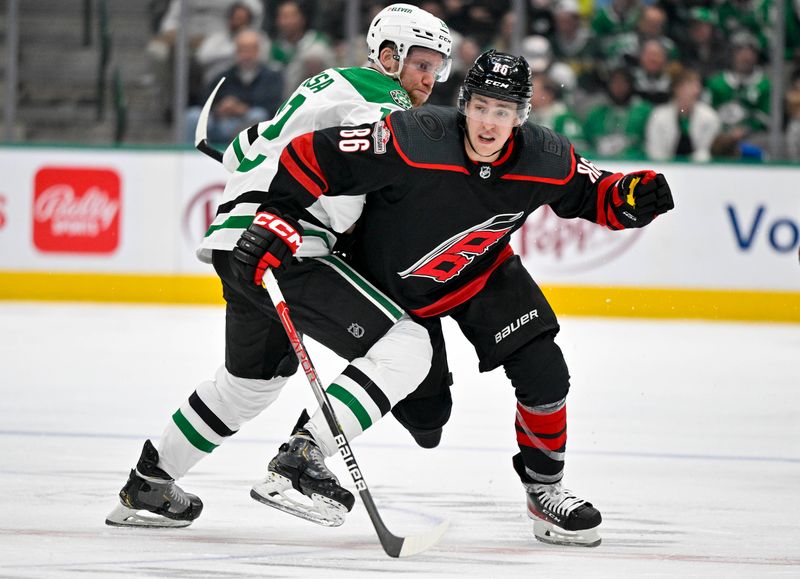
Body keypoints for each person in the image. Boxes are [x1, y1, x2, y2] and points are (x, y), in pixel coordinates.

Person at [256, 50, 675, 546]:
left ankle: (546, 490)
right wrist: (276, 214)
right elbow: (313, 154)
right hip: (394, 290)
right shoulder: (414, 138)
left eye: (502, 111)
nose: (488, 123)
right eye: (480, 106)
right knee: (429, 421)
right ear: (464, 105)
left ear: (520, 117)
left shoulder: (546, 157)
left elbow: (595, 193)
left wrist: (629, 198)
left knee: (546, 370)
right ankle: (314, 440)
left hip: (483, 273)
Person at [106, 3, 453, 529]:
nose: (427, 80)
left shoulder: (326, 87)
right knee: (409, 346)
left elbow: (250, 143)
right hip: (285, 242)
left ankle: (149, 484)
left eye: (436, 69)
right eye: (421, 64)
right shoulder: (383, 98)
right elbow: (366, 173)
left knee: (250, 383)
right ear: (388, 56)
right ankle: (302, 459)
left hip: (234, 245)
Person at [185, 29, 283, 144]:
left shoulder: (271, 77)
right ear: (236, 51)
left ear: (258, 51)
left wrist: (242, 109)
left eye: (250, 50)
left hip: (248, 125)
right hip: (221, 122)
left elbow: (273, 106)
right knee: (193, 115)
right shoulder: (224, 76)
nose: (246, 55)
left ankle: (247, 157)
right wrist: (220, 108)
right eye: (242, 50)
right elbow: (204, 100)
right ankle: (192, 155)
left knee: (257, 115)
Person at [645, 68, 721, 162]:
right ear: (677, 89)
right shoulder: (658, 116)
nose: (695, 91)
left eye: (697, 86)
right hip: (665, 168)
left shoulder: (710, 116)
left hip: (700, 169)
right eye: (690, 86)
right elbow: (655, 151)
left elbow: (707, 151)